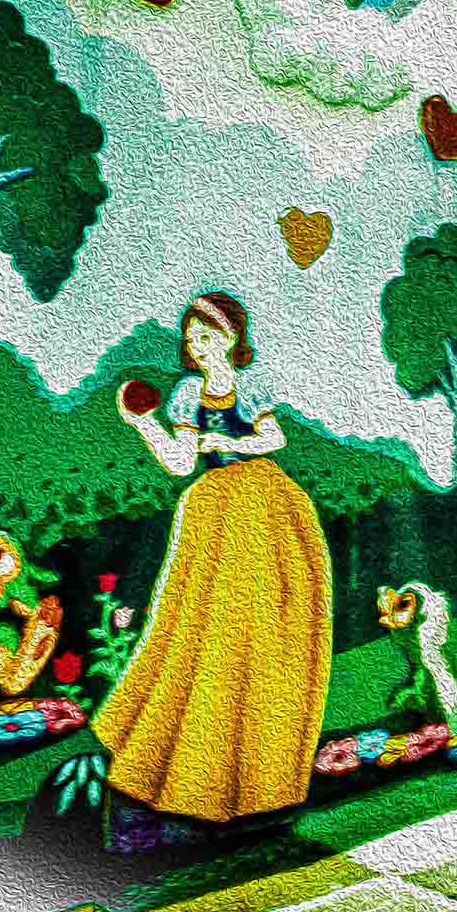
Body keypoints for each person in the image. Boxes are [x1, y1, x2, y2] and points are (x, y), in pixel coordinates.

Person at [94, 292, 334, 823]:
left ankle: (265, 763)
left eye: (206, 336)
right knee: (201, 627)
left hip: (264, 505)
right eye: (191, 340)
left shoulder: (249, 387)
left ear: (229, 336)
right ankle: (195, 752)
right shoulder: (187, 394)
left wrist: (223, 440)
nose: (197, 347)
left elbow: (273, 437)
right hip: (212, 513)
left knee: (265, 626)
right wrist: (144, 424)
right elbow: (181, 463)